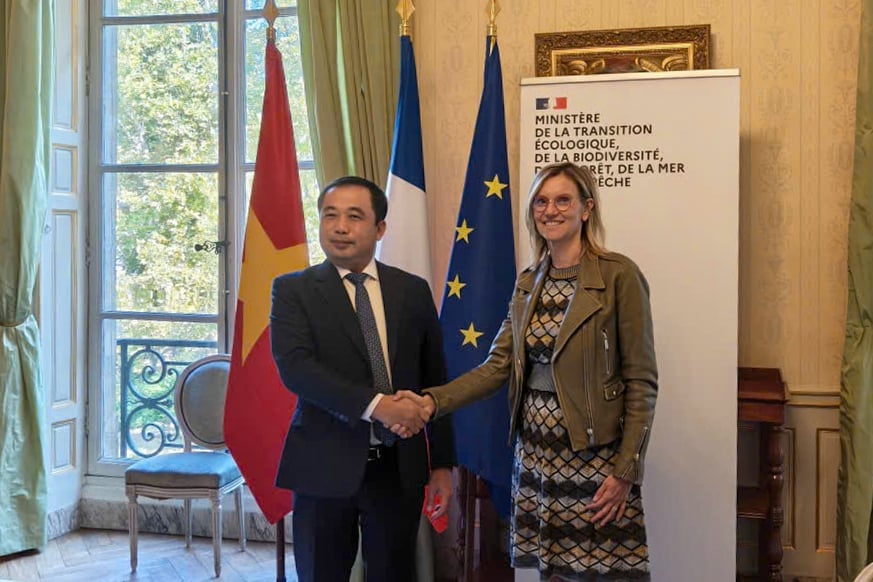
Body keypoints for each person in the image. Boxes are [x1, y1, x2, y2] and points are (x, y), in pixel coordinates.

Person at [399, 162, 658, 581]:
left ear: (587, 209)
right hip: (535, 458)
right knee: (551, 573)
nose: (550, 210)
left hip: (593, 461)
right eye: (541, 201)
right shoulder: (528, 282)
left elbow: (642, 382)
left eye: (563, 200)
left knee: (600, 574)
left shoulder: (619, 275)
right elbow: (496, 367)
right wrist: (432, 402)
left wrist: (626, 470)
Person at [270, 176, 455, 582]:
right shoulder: (293, 291)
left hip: (397, 470)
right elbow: (296, 368)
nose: (340, 227)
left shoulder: (412, 290)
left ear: (380, 228)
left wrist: (442, 464)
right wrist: (378, 406)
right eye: (330, 216)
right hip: (323, 465)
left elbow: (435, 379)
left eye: (354, 217)